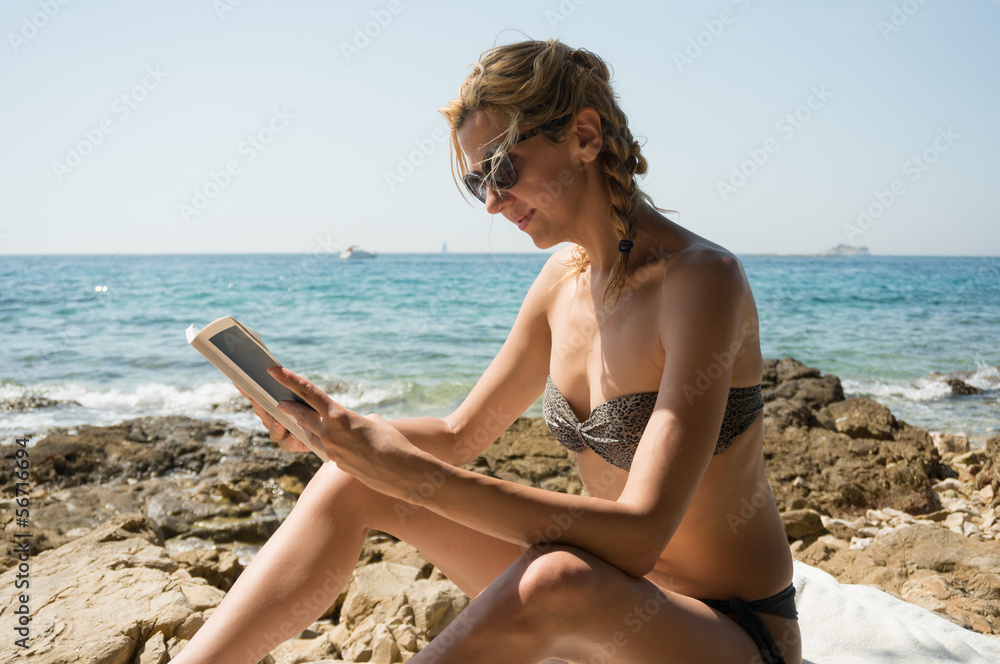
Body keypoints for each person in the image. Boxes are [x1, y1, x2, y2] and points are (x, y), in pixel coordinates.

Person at [173, 39, 800, 664]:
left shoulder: (702, 279)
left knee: (559, 578)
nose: (495, 202)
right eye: (479, 184)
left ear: (585, 135)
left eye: (502, 169)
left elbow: (640, 536)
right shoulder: (561, 284)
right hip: (609, 617)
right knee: (349, 482)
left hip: (728, 635)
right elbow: (458, 432)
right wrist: (341, 434)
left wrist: (412, 474)